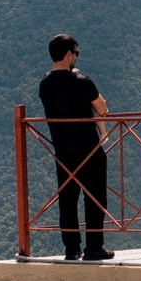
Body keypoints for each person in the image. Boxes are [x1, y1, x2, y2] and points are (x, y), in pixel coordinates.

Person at [39, 34, 112, 261]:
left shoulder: (45, 85)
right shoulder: (83, 83)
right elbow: (102, 109)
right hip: (89, 149)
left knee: (68, 199)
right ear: (69, 54)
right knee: (95, 197)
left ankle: (71, 249)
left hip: (62, 150)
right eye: (76, 53)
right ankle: (94, 247)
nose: (76, 58)